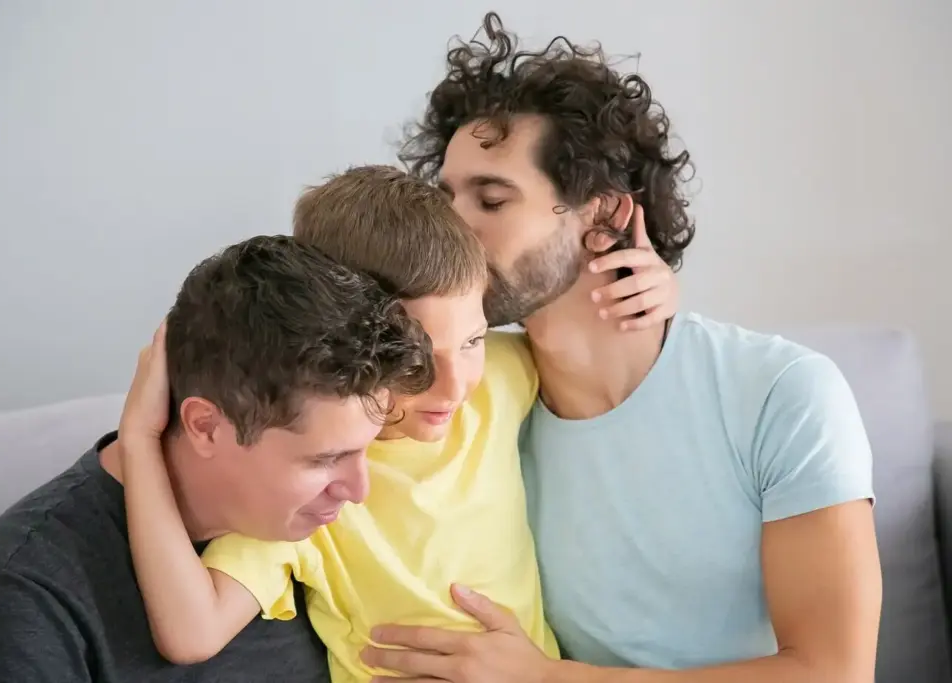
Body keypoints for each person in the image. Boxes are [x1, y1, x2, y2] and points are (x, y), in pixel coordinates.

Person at [362, 12, 882, 683]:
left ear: (604, 217)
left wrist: (548, 679)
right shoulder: (465, 397)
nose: (451, 231)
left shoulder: (781, 391)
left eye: (491, 200)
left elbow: (834, 672)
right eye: (446, 200)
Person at [117, 165, 680, 682]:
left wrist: (653, 287)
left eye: (473, 340)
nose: (455, 386)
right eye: (418, 360)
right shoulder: (318, 492)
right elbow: (192, 635)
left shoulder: (498, 380)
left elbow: (592, 337)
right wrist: (139, 440)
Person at [0, 234, 435, 682]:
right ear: (205, 426)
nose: (358, 491)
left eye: (365, 448)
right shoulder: (28, 588)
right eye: (323, 460)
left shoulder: (307, 530)